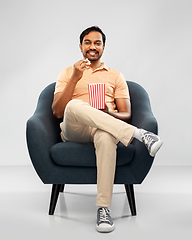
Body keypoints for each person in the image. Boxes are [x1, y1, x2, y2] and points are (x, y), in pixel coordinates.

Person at [52, 26, 163, 233]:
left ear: (103, 47)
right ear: (80, 46)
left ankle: (103, 209)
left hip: (103, 127)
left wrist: (107, 114)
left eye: (97, 43)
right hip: (75, 128)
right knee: (74, 105)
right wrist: (75, 78)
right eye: (87, 42)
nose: (92, 47)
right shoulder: (68, 72)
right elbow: (58, 111)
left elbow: (126, 114)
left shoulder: (115, 76)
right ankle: (138, 134)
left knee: (105, 135)